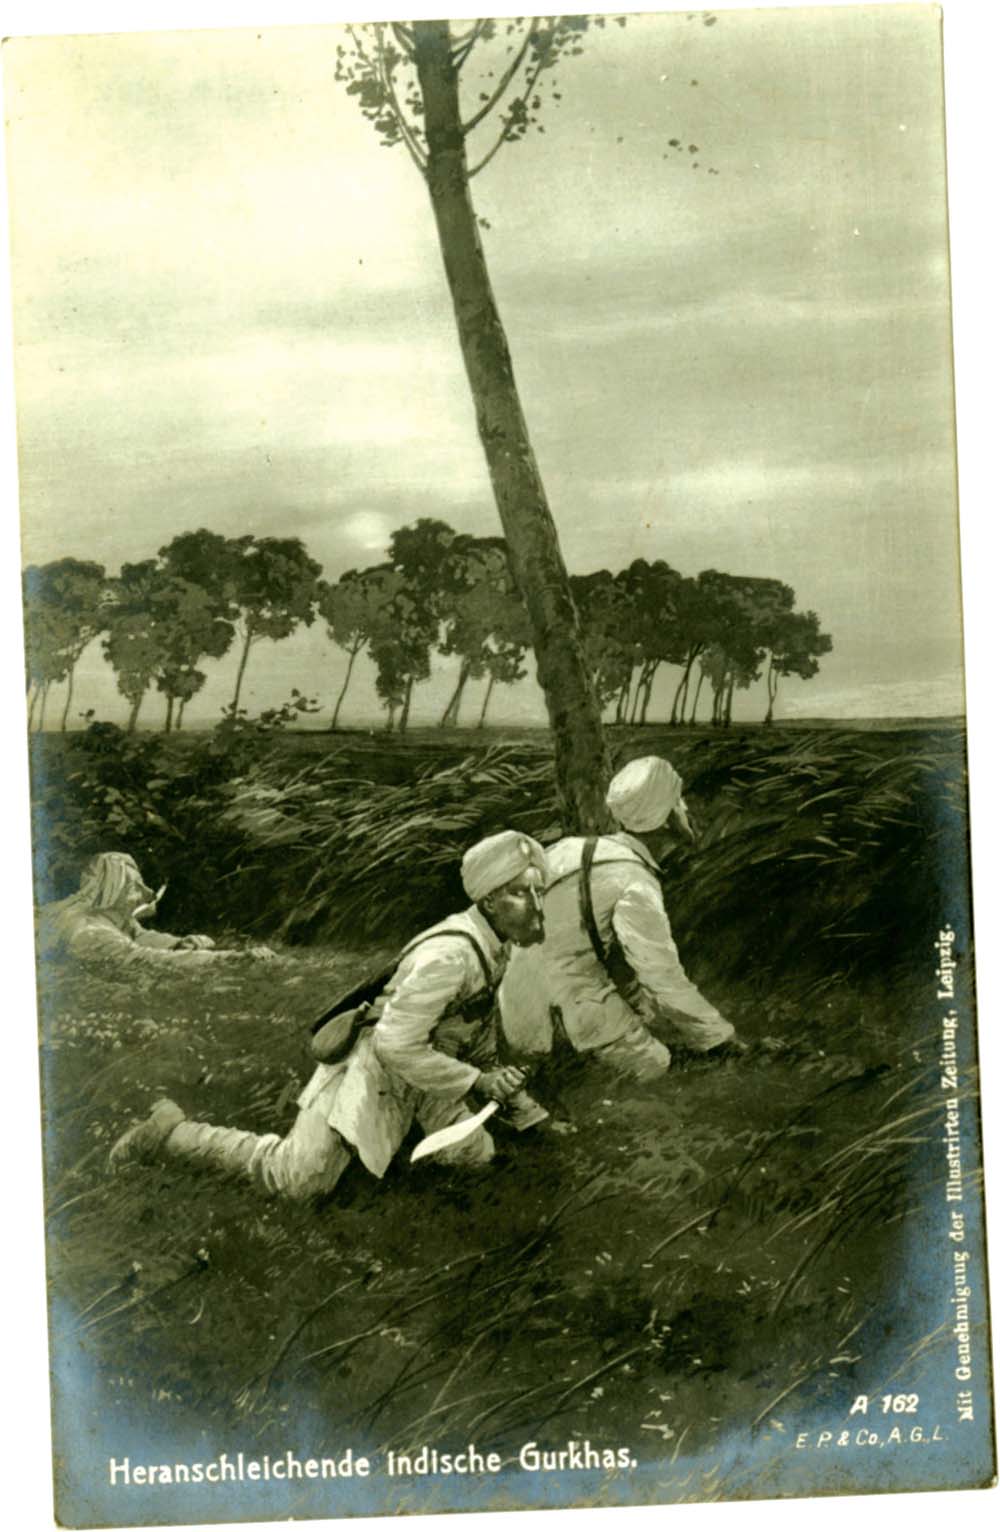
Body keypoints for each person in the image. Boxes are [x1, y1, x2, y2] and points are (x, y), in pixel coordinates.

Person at [109, 831, 551, 1201]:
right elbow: (393, 1044)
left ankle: (401, 1155)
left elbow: (475, 1033)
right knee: (298, 1180)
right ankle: (172, 1133)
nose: (535, 904)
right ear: (489, 901)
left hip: (426, 1072)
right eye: (519, 893)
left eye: (538, 891)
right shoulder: (450, 956)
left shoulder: (495, 945)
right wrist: (478, 1083)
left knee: (475, 1158)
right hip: (373, 1070)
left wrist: (524, 1110)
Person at [500, 757, 740, 1082]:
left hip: (516, 1012)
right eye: (677, 802)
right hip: (580, 1015)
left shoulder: (564, 849)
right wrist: (720, 1037)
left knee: (643, 1016)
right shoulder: (633, 880)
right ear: (664, 817)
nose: (685, 810)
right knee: (660, 1068)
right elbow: (660, 975)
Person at [36, 851, 275, 969]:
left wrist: (178, 943)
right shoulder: (92, 932)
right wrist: (232, 958)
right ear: (112, 892)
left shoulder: (114, 919)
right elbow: (147, 958)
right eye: (134, 887)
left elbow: (140, 936)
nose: (146, 893)